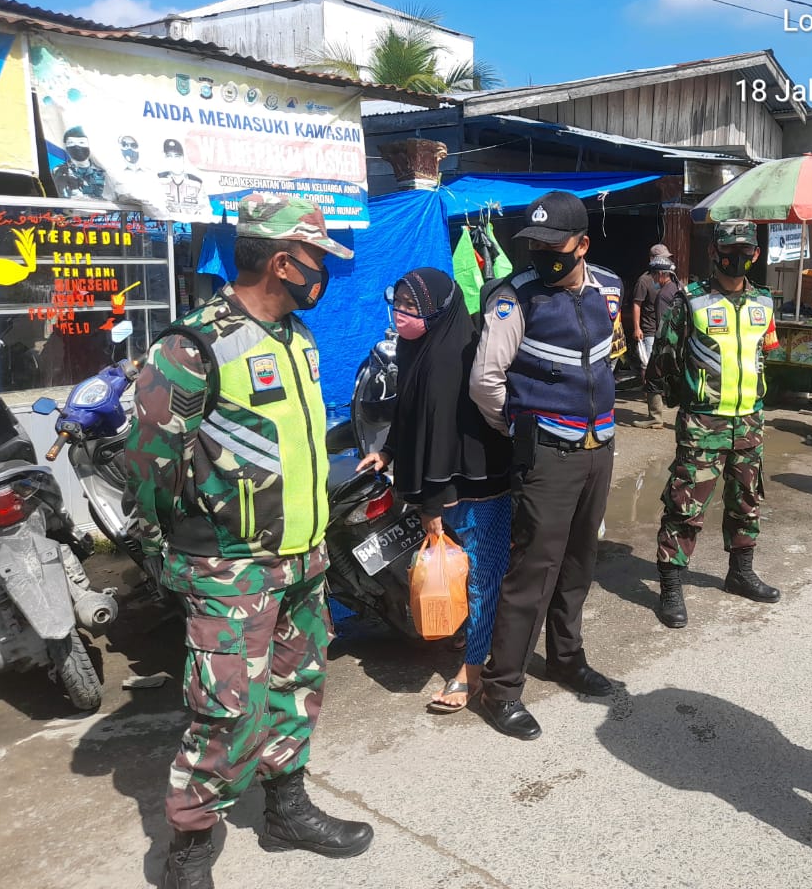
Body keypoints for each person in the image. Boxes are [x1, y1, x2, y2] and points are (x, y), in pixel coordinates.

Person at [124, 195, 372, 889]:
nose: (324, 273)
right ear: (284, 262)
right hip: (230, 570)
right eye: (319, 260)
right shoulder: (192, 344)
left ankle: (286, 810)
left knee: (298, 687)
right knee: (226, 712)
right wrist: (196, 543)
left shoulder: (297, 337)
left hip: (304, 556)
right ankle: (188, 853)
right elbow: (144, 465)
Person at [468, 191, 626, 740]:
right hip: (547, 452)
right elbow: (487, 380)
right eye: (533, 246)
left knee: (581, 562)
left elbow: (611, 355)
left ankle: (566, 657)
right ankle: (502, 687)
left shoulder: (609, 288)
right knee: (532, 570)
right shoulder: (515, 299)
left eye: (553, 246)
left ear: (582, 245)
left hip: (598, 445)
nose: (541, 255)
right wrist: (518, 429)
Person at [356, 268, 512, 713]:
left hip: (476, 485)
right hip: (443, 482)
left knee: (484, 580)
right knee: (460, 575)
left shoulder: (452, 358)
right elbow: (410, 412)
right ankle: (474, 641)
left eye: (412, 307)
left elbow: (441, 434)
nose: (402, 314)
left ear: (440, 311)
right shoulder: (416, 347)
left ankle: (473, 671)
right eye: (399, 303)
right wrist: (387, 451)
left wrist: (431, 503)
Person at [646, 219, 782, 629]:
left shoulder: (764, 301)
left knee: (746, 500)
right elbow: (663, 360)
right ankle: (671, 585)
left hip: (749, 420)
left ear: (755, 255)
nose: (735, 258)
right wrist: (682, 398)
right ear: (713, 251)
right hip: (704, 421)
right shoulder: (691, 300)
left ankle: (740, 572)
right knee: (685, 505)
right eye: (728, 250)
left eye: (744, 251)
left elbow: (764, 352)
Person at [632, 248, 680, 428]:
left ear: (661, 274)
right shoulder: (676, 288)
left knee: (652, 376)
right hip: (677, 342)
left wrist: (661, 348)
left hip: (665, 342)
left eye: (654, 275)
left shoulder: (662, 295)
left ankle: (655, 417)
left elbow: (663, 324)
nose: (652, 279)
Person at [52, 126, 106, 199]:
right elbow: (67, 196)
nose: (77, 146)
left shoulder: (101, 171)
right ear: (66, 147)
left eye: (81, 142)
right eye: (71, 143)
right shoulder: (60, 170)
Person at [158, 138, 206, 214]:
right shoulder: (158, 180)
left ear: (183, 158)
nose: (173, 160)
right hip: (166, 223)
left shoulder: (197, 183)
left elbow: (205, 210)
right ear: (165, 158)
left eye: (177, 156)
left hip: (192, 224)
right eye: (169, 156)